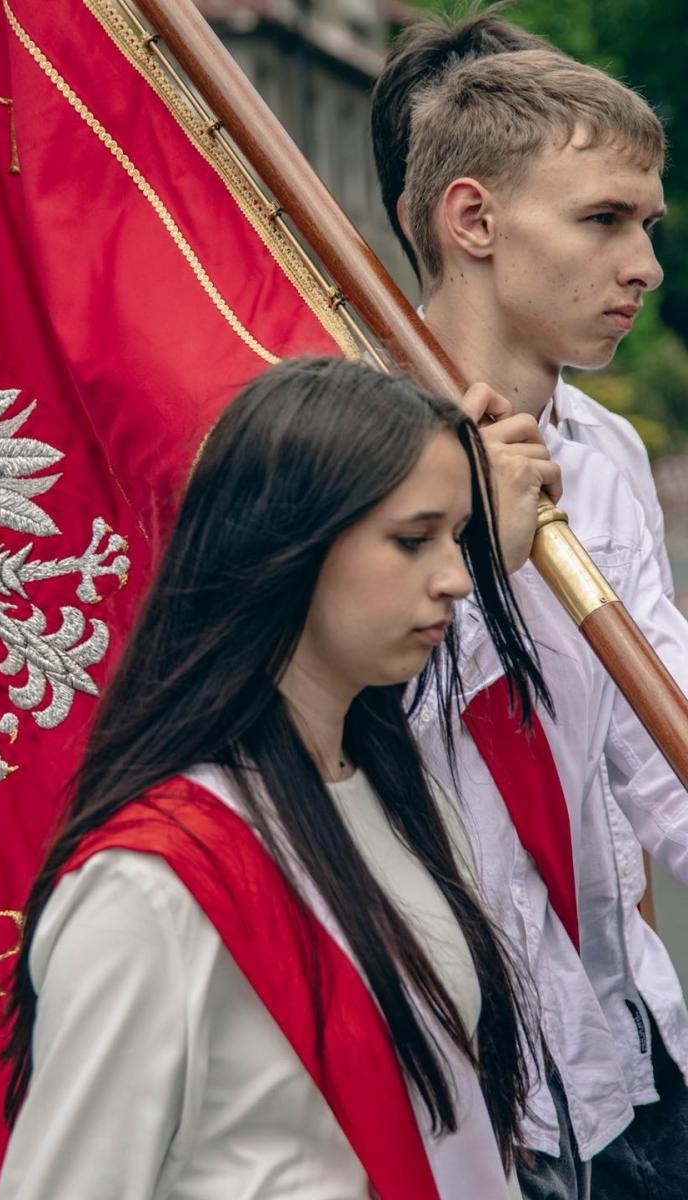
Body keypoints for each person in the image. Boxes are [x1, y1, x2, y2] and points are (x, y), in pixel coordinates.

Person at [0, 358, 560, 1200]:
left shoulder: (411, 802)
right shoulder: (151, 886)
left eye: (458, 537)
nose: (453, 576)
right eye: (414, 539)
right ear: (290, 542)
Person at [371, 11, 688, 1200]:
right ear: (472, 220)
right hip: (454, 1082)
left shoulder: (600, 453)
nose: (643, 265)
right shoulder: (340, 461)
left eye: (644, 225)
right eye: (602, 220)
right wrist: (475, 559)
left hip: (625, 1049)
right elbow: (319, 745)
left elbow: (652, 730)